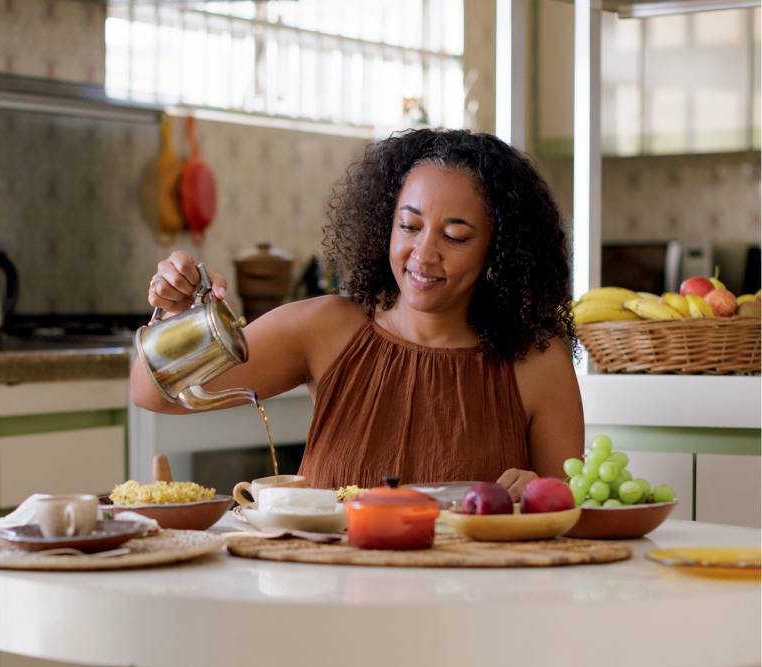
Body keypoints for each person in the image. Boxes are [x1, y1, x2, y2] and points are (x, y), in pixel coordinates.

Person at [130, 128, 583, 500]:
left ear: (497, 250)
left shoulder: (538, 364)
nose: (423, 256)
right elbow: (153, 393)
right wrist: (176, 315)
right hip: (329, 597)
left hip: (465, 603)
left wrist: (541, 493)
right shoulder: (325, 329)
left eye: (456, 236)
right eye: (409, 226)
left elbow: (568, 514)